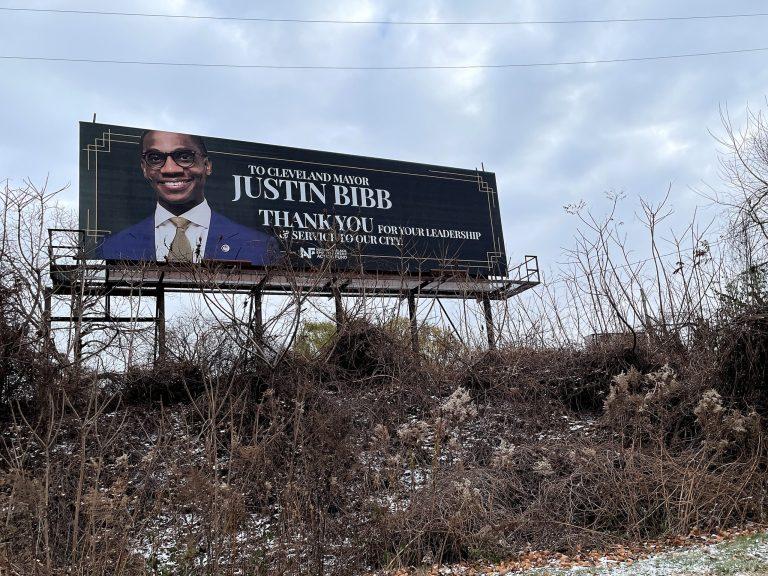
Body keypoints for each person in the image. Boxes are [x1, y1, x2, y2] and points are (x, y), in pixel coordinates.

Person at [98, 130, 278, 265]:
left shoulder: (259, 245)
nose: (170, 169)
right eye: (155, 158)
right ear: (144, 168)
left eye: (184, 157)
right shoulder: (112, 247)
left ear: (207, 165)